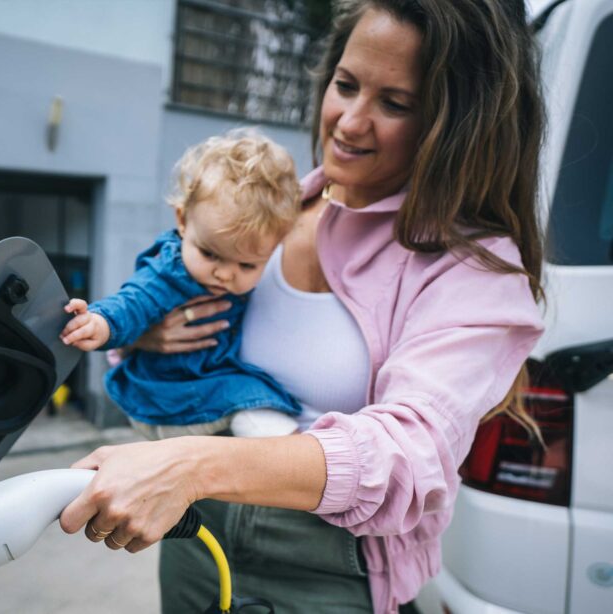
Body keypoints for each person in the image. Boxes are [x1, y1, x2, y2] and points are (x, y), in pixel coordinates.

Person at [58, 1, 546, 612]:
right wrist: (144, 336)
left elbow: (407, 458)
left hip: (329, 567)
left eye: (395, 104)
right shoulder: (260, 211)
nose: (350, 122)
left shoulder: (472, 270)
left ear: (455, 126)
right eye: (345, 85)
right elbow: (152, 296)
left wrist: (191, 465)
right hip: (195, 535)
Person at [60, 131, 303, 439]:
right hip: (167, 397)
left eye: (246, 265)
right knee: (252, 401)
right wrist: (99, 321)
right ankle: (287, 447)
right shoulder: (169, 271)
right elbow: (133, 302)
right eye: (210, 254)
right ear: (183, 220)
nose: (225, 275)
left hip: (192, 395)